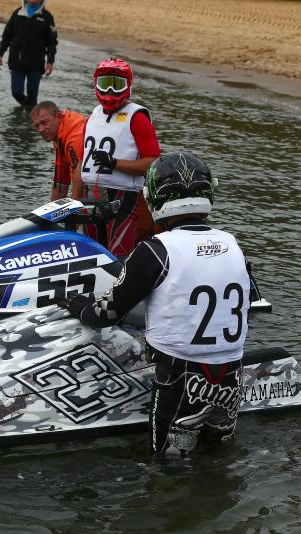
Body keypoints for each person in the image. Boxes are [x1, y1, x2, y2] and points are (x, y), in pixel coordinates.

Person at [64, 151, 250, 457]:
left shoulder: (154, 250)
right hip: (231, 373)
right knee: (219, 459)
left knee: (168, 466)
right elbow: (245, 301)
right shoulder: (232, 244)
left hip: (180, 375)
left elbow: (105, 314)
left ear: (154, 198)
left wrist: (78, 306)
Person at [74, 57, 160, 257]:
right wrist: (73, 204)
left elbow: (152, 162)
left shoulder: (137, 117)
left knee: (117, 258)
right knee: (92, 257)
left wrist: (115, 163)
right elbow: (81, 163)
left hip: (122, 199)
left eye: (117, 84)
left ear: (128, 86)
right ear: (96, 84)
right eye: (105, 83)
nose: (110, 90)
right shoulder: (93, 116)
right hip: (90, 196)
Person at [0, 0, 57, 107]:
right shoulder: (17, 13)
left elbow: (52, 42)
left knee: (32, 97)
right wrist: (0, 54)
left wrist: (50, 61)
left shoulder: (47, 17)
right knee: (16, 92)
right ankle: (29, 111)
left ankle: (30, 112)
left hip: (36, 65)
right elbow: (7, 36)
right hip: (17, 62)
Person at [30, 101, 86, 200]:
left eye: (44, 122)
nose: (40, 129)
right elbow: (60, 181)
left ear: (59, 117)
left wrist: (74, 208)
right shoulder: (59, 134)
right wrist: (51, 208)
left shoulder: (75, 137)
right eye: (37, 126)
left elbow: (80, 184)